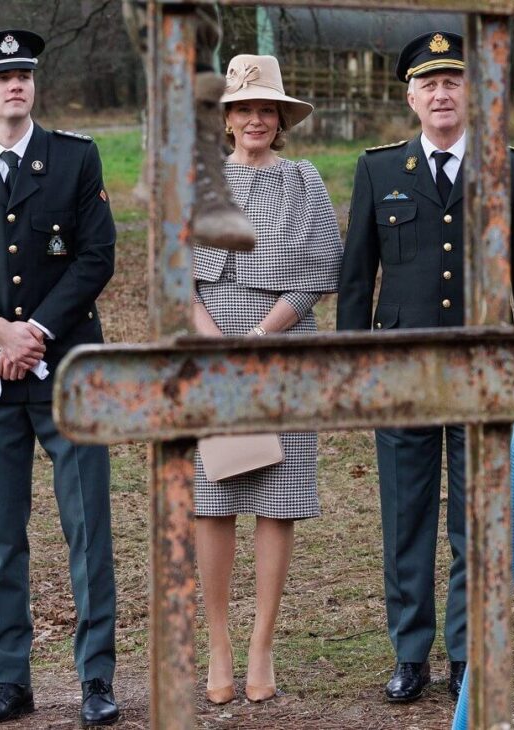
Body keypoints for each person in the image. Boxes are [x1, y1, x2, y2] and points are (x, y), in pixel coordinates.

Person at [336, 31, 514, 703]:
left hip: (483, 371)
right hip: (402, 372)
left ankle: (466, 652)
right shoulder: (378, 170)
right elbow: (355, 275)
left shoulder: (507, 169)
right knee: (407, 517)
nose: (442, 93)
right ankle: (410, 652)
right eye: (429, 84)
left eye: (453, 81)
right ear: (410, 97)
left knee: (474, 518)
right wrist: (354, 368)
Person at [0, 30, 120, 727]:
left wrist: (34, 329)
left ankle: (96, 679)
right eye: (0, 76)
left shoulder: (73, 159)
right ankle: (13, 681)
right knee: (2, 537)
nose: (15, 85)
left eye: (24, 75)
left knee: (88, 530)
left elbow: (97, 256)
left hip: (68, 372)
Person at [191, 53, 343, 705]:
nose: (255, 119)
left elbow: (317, 269)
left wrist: (258, 338)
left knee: (279, 500)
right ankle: (219, 645)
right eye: (244, 108)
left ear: (280, 119)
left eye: (266, 109)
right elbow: (174, 273)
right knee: (213, 497)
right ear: (227, 119)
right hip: (210, 350)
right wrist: (215, 343)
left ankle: (261, 647)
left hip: (281, 349)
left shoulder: (304, 181)